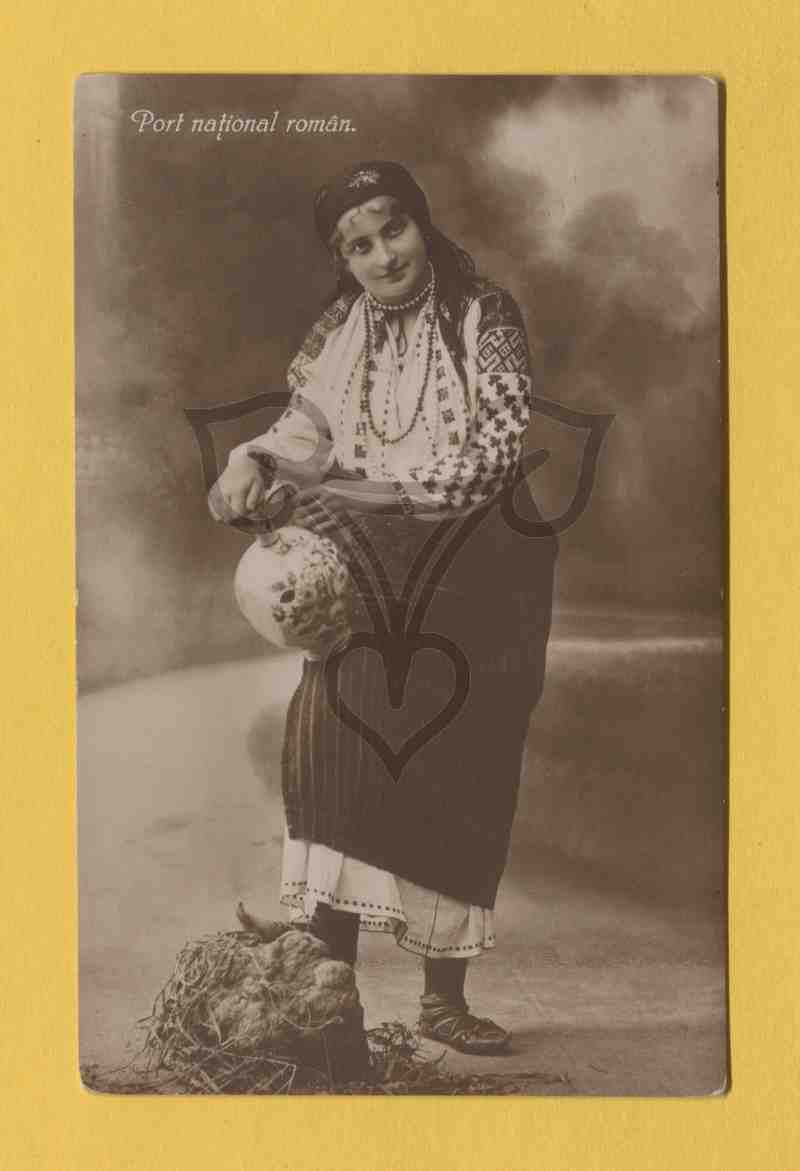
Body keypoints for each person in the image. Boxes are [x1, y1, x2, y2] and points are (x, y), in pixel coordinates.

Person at [213, 160, 557, 1055]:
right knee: (333, 742)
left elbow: (489, 461)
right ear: (344, 258)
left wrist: (348, 494)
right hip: (374, 565)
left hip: (482, 568)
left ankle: (444, 997)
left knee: (457, 764)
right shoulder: (339, 327)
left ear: (422, 223)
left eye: (392, 230)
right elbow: (307, 429)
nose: (382, 256)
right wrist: (254, 457)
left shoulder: (486, 316)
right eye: (358, 245)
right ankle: (326, 982)